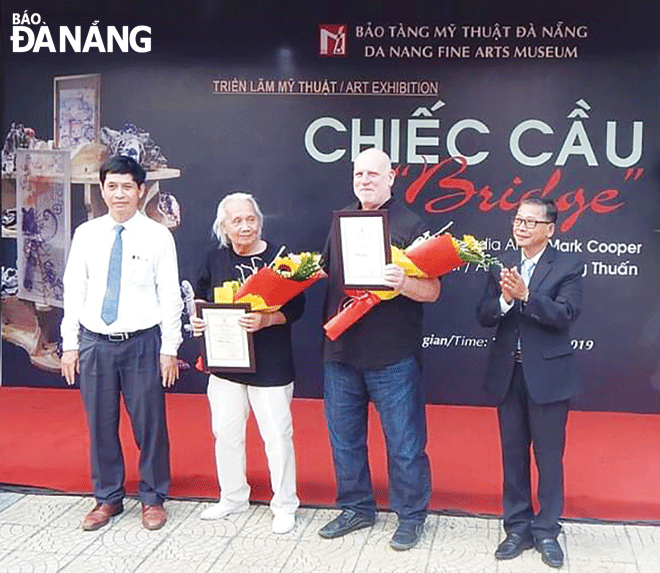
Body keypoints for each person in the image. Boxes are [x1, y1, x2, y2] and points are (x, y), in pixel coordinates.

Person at [318, 147, 440, 551]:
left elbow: (434, 291)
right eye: (358, 174)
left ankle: (410, 516)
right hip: (342, 353)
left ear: (391, 178)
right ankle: (356, 507)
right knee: (345, 440)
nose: (364, 180)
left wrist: (403, 282)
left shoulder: (412, 224)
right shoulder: (340, 221)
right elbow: (324, 272)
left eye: (373, 174)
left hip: (393, 356)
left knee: (404, 444)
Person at [60, 155, 183, 531]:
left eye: (127, 186)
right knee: (100, 423)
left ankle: (152, 497)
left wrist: (169, 348)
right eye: (111, 186)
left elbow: (170, 296)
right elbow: (73, 290)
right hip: (95, 342)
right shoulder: (87, 234)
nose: (119, 194)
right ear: (102, 190)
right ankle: (108, 498)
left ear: (141, 190)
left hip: (142, 343)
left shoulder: (158, 235)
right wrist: (70, 343)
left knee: (149, 424)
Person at [477, 198, 584, 568]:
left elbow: (566, 314)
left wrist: (527, 295)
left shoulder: (567, 265)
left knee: (549, 458)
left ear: (549, 229)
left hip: (549, 377)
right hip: (508, 374)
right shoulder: (501, 266)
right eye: (517, 220)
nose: (521, 227)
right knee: (513, 455)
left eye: (530, 222)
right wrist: (505, 300)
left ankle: (547, 531)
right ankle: (517, 528)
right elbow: (484, 315)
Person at [190, 192, 302, 535]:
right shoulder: (213, 258)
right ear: (223, 226)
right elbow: (200, 296)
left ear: (260, 222)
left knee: (277, 436)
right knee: (225, 433)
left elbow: (298, 309)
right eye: (236, 221)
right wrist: (198, 321)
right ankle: (233, 496)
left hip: (271, 363)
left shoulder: (280, 259)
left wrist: (267, 321)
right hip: (225, 364)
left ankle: (284, 504)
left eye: (250, 219)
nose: (244, 227)